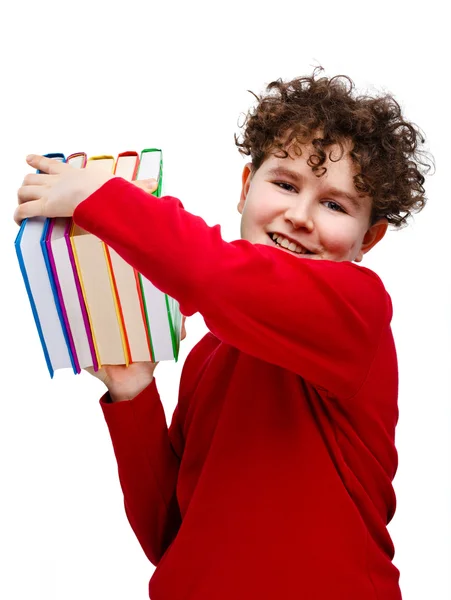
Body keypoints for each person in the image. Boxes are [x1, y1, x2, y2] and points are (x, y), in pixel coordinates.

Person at [15, 67, 432, 600]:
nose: (299, 215)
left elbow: (216, 276)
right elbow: (170, 533)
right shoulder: (211, 350)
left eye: (334, 204)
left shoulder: (357, 308)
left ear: (367, 239)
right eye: (284, 184)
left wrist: (104, 199)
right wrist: (132, 390)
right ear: (245, 188)